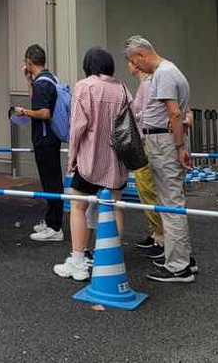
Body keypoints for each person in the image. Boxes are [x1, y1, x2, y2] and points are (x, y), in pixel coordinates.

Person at [53, 48, 130, 281]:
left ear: (89, 66)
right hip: (117, 159)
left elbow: (77, 127)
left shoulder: (85, 86)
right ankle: (109, 257)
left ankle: (78, 261)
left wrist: (71, 158)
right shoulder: (123, 90)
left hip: (90, 158)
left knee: (78, 206)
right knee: (115, 206)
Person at [125, 35, 196, 283]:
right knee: (173, 201)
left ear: (141, 55)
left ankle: (178, 266)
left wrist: (178, 147)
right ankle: (183, 258)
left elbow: (175, 113)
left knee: (170, 204)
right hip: (167, 141)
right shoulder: (172, 69)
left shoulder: (163, 73)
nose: (134, 68)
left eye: (133, 61)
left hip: (163, 143)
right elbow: (184, 113)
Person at [13, 44, 65, 242]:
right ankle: (52, 219)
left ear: (28, 61)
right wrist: (29, 80)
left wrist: (24, 112)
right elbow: (37, 101)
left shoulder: (41, 84)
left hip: (44, 138)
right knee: (51, 179)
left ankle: (55, 226)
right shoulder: (49, 78)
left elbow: (44, 112)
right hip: (51, 137)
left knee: (51, 180)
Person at [128, 59, 165, 259]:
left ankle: (160, 236)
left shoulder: (147, 85)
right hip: (151, 143)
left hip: (148, 144)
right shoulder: (149, 83)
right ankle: (155, 232)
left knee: (148, 190)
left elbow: (140, 114)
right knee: (149, 190)